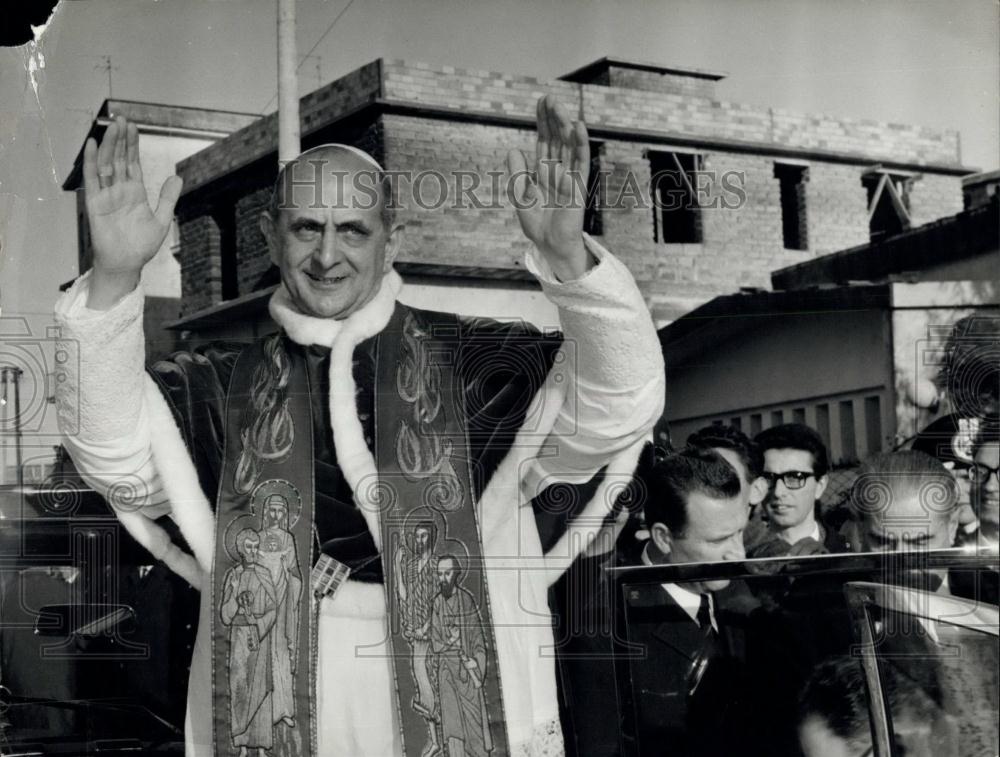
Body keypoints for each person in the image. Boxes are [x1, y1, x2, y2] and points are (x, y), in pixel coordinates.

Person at [54, 94, 664, 757]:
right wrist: (113, 282)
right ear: (269, 236)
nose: (326, 254)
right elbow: (114, 456)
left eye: (353, 229)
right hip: (287, 709)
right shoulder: (216, 384)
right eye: (306, 227)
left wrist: (572, 262)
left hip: (468, 698)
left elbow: (616, 407)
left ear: (392, 240)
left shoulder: (480, 362)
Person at [623, 448, 754, 757]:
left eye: (740, 533)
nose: (738, 554)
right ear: (664, 538)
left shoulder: (741, 587)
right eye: (718, 540)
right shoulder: (615, 621)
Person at [753, 423, 848, 555]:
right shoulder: (740, 556)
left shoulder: (846, 555)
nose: (778, 492)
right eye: (768, 477)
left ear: (820, 486)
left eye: (794, 477)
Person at [686, 424, 768, 550]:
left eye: (724, 479)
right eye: (696, 478)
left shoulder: (780, 561)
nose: (706, 490)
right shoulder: (676, 545)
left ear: (757, 491)